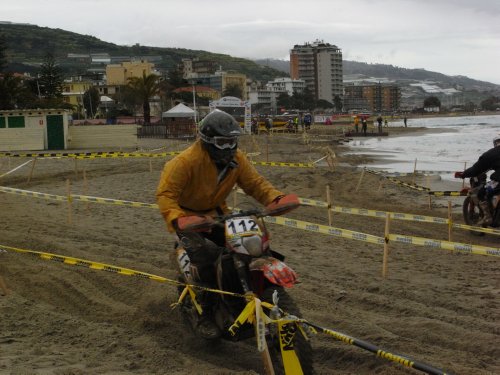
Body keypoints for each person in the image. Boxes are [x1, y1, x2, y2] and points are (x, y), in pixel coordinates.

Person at [156, 109, 286, 339]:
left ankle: (255, 295)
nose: (228, 147)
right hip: (188, 219)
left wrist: (275, 199)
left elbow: (256, 184)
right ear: (207, 140)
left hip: (218, 215)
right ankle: (205, 315)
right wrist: (179, 218)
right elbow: (166, 195)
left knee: (250, 245)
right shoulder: (184, 162)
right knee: (205, 257)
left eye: (232, 141)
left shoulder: (237, 160)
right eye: (222, 142)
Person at [455, 135, 500, 226]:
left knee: (481, 192)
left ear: (495, 143)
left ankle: (487, 217)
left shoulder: (491, 154)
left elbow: (476, 169)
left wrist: (463, 174)